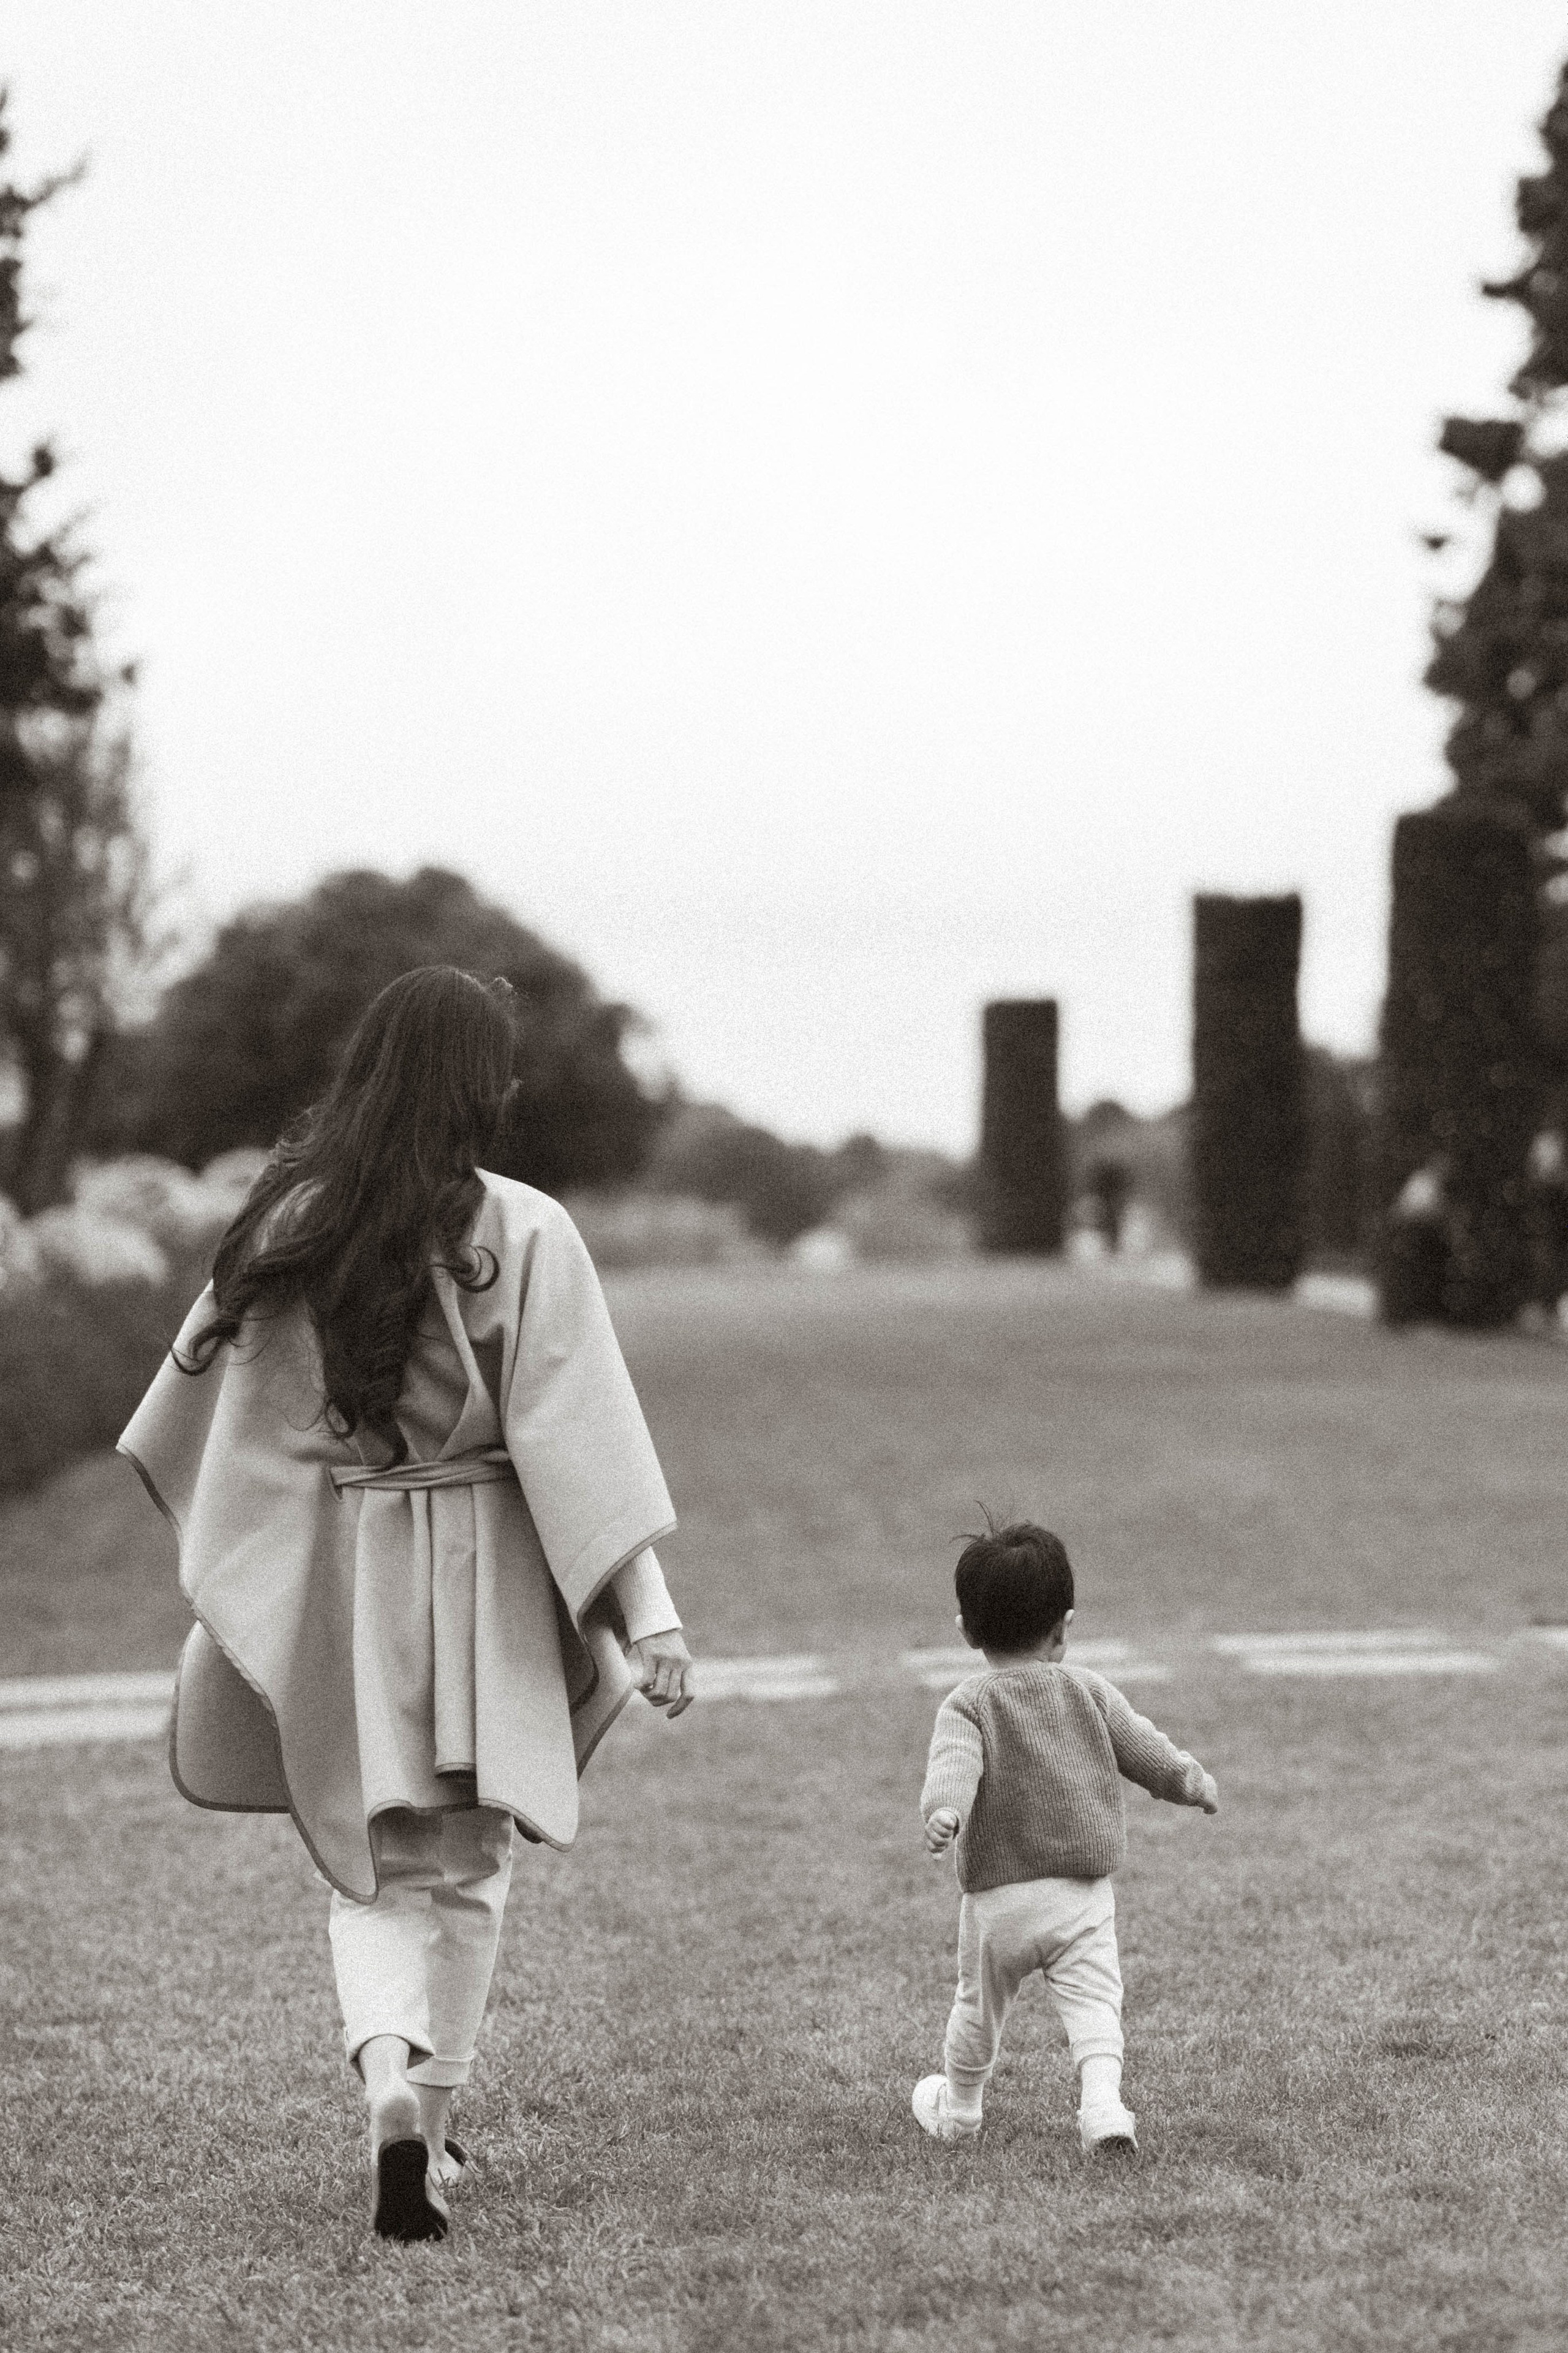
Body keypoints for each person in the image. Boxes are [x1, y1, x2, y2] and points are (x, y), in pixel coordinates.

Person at [118, 967, 695, 2244]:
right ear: (479, 1085)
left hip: (352, 1584)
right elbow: (575, 1438)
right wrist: (642, 1609)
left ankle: (383, 2070)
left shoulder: (287, 1228)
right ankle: (430, 2127)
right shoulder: (522, 1230)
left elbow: (214, 1421)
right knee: (472, 1866)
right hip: (480, 1576)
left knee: (372, 1871)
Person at [913, 1517, 1216, 2155]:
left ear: (965, 1630)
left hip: (1000, 1901)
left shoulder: (967, 1703)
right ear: (1064, 1627)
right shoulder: (1090, 1691)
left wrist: (945, 1810)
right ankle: (1103, 2105)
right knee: (1095, 2002)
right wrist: (1189, 1781)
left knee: (977, 2007)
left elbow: (953, 1769)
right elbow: (1147, 1753)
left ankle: (961, 2110)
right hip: (1081, 1893)